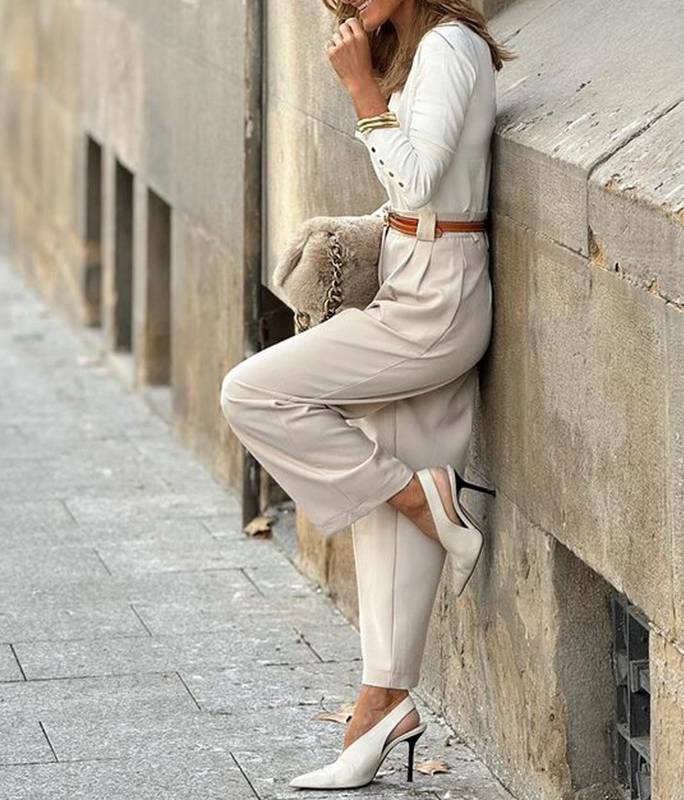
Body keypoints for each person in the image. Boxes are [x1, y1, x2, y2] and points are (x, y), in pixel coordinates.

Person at [220, 0, 515, 790]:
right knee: (388, 483)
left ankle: (425, 499)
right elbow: (414, 194)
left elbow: (420, 184)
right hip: (413, 275)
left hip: (438, 300)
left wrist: (360, 93)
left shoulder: (452, 48)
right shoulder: (418, 48)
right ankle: (381, 706)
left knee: (252, 392)